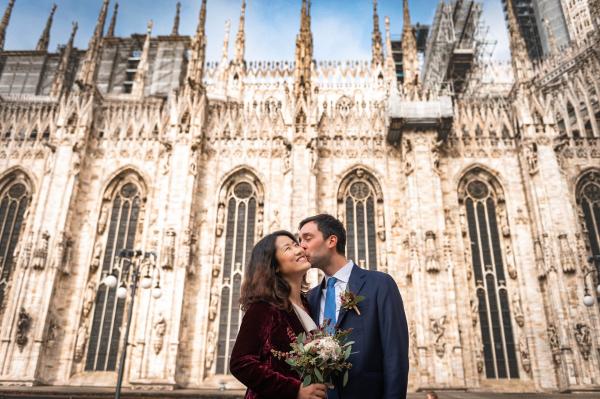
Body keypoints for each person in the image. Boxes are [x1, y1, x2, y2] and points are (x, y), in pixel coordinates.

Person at [299, 214, 409, 399]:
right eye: (299, 240)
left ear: (331, 240)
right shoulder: (310, 298)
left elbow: (395, 355)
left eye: (307, 238)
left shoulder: (379, 284)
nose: (301, 245)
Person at [230, 230, 327, 399]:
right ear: (273, 266)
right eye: (287, 248)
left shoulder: (307, 305)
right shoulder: (263, 307)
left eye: (296, 244)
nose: (298, 250)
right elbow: (241, 363)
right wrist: (294, 390)